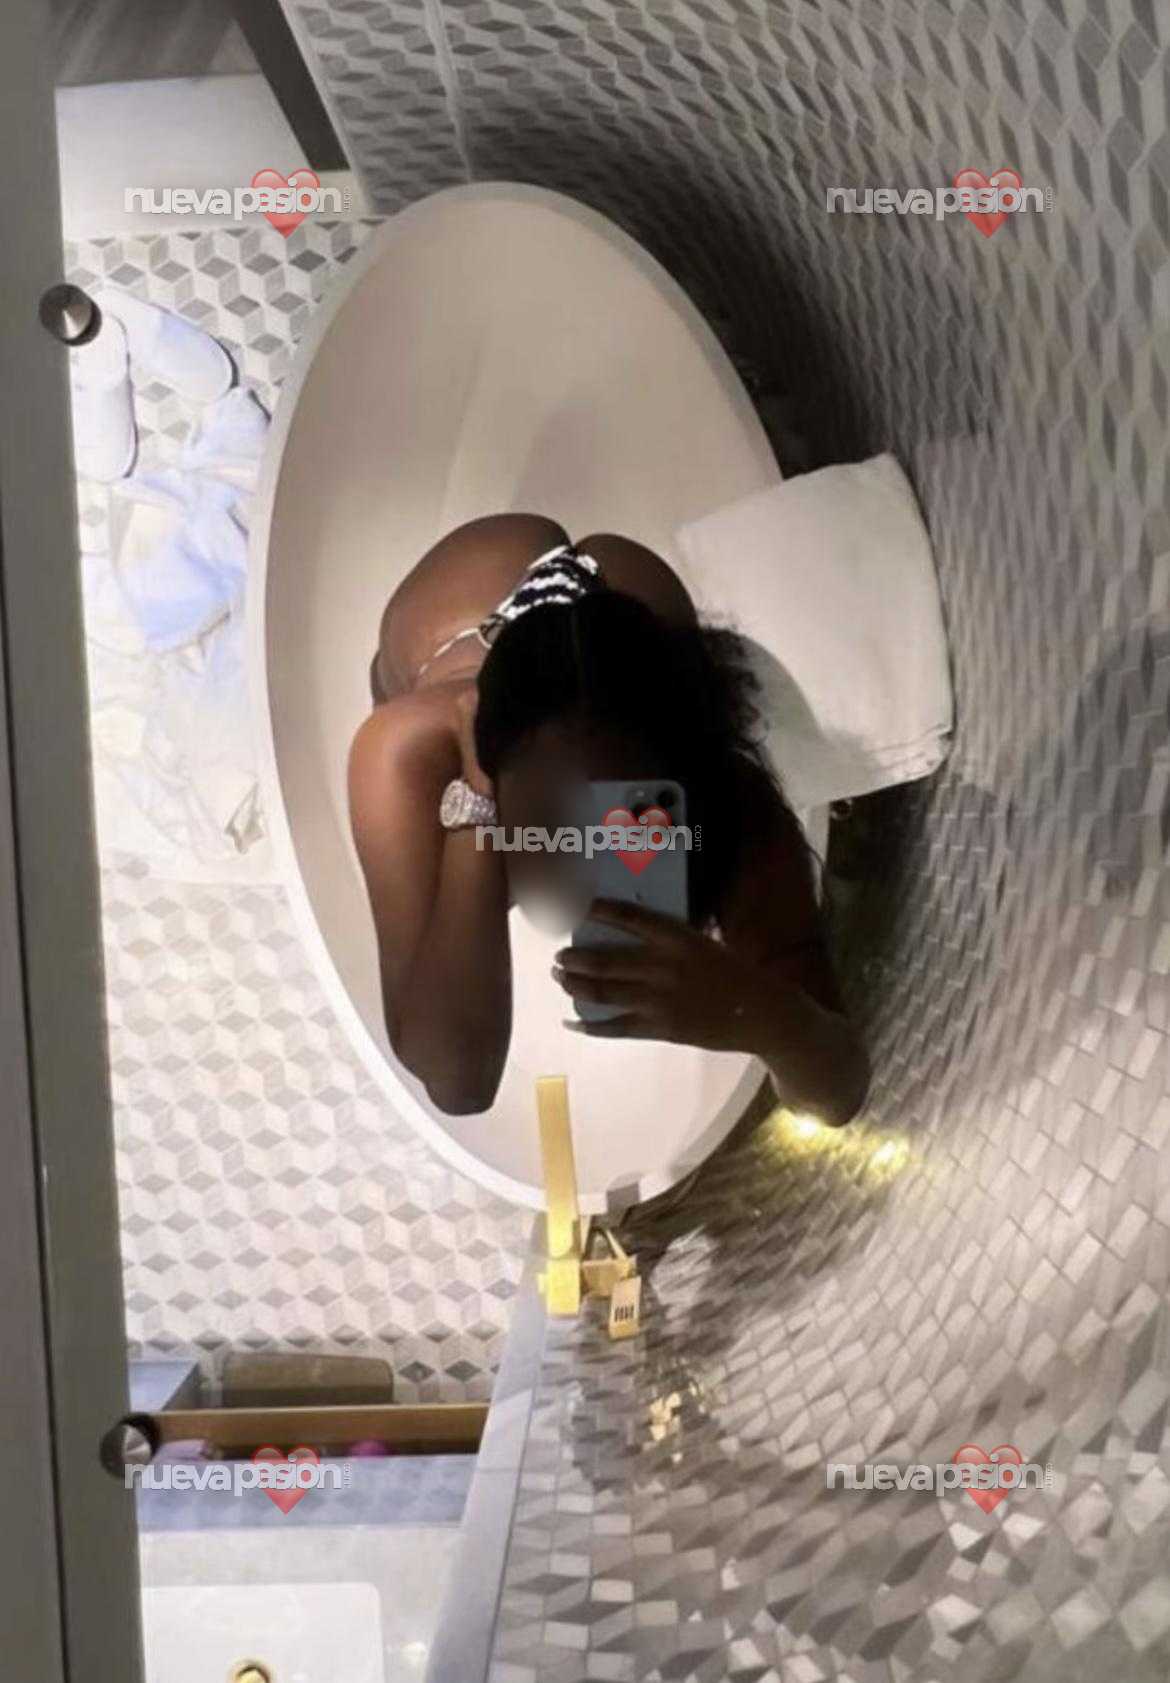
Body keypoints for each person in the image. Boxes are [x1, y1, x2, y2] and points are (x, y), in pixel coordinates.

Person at [348, 513, 870, 1120]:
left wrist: (760, 1015)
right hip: (445, 622)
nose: (584, 856)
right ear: (488, 770)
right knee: (398, 697)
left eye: (618, 813)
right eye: (547, 825)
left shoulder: (720, 793)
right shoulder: (408, 751)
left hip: (630, 602)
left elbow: (840, 1093)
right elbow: (457, 1082)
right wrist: (478, 807)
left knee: (642, 676)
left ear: (677, 781)